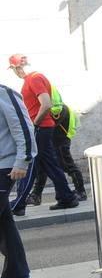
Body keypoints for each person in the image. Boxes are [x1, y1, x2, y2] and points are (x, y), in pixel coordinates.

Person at [5, 54, 78, 213]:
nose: (15, 73)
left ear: (18, 67)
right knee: (50, 164)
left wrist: (34, 125)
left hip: (40, 128)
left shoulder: (34, 78)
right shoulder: (33, 78)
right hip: (44, 128)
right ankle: (67, 197)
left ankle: (19, 204)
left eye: (14, 69)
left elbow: (46, 104)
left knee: (28, 163)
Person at [30, 75, 86, 204]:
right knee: (43, 164)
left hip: (60, 134)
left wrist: (37, 122)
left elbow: (51, 114)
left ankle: (80, 191)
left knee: (65, 162)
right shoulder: (54, 105)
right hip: (56, 133)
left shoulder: (57, 109)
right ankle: (36, 195)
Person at [0, 82, 34, 278]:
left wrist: (23, 160)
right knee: (3, 222)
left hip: (5, 166)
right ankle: (17, 272)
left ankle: (17, 272)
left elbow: (23, 127)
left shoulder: (4, 93)